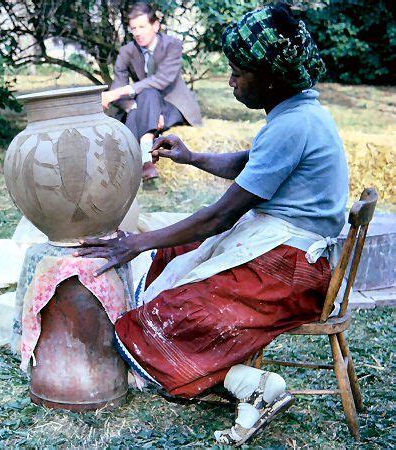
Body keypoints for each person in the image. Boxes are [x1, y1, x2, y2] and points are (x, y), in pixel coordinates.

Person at [75, 3, 349, 445]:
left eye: (239, 73)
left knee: (166, 316)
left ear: (271, 78)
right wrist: (192, 156)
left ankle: (251, 387)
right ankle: (236, 377)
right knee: (173, 256)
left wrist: (138, 241)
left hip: (294, 271)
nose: (231, 81)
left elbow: (222, 215)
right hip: (284, 248)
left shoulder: (293, 125)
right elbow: (249, 163)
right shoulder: (297, 113)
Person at [102, 2, 202, 182]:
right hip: (146, 104)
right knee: (142, 101)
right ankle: (145, 161)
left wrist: (124, 92)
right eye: (133, 28)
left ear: (155, 25)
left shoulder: (173, 44)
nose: (138, 32)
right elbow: (118, 85)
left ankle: (125, 166)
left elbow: (162, 79)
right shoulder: (127, 51)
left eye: (142, 26)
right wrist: (131, 106)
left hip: (172, 103)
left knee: (148, 93)